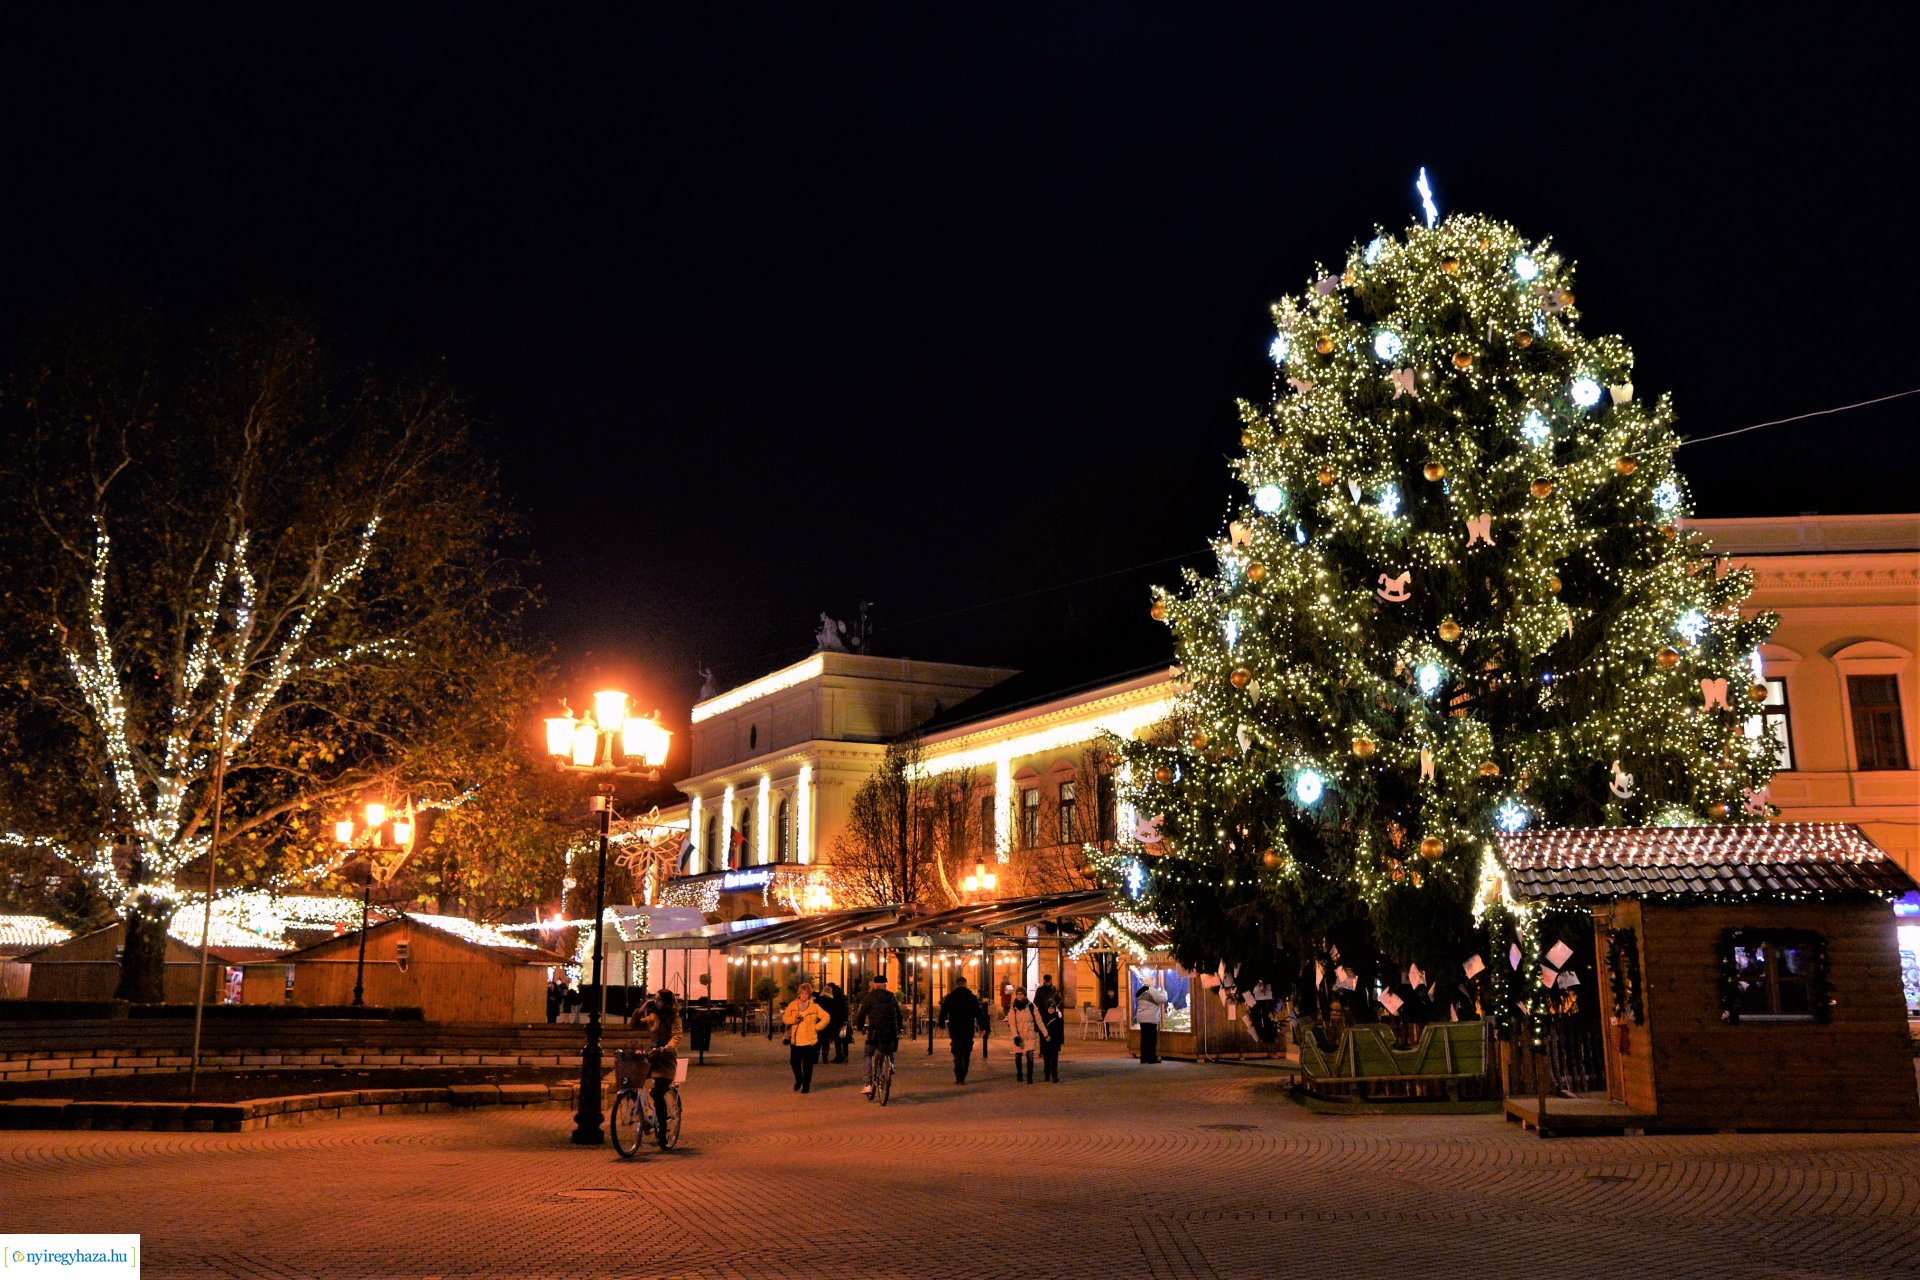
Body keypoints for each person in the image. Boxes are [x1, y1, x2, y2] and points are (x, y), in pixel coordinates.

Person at [629, 989, 680, 1146]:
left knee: (657, 1093)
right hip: (652, 1056)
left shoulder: (674, 1018)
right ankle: (643, 1114)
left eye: (657, 999)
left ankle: (663, 1132)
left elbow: (677, 1035)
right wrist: (641, 1009)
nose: (654, 1001)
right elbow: (634, 1025)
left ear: (665, 1002)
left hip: (665, 1059)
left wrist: (668, 1047)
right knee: (632, 1083)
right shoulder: (653, 1016)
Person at [853, 972, 903, 1097]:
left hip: (875, 1031)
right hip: (891, 1031)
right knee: (889, 1049)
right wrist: (899, 1028)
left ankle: (868, 1084)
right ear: (885, 985)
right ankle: (890, 1064)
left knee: (868, 1055)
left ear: (875, 985)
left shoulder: (870, 997)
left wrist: (859, 1027)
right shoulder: (892, 997)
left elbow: (861, 1014)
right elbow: (899, 1014)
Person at [781, 981, 831, 1093]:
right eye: (802, 993)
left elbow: (826, 1017)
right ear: (799, 994)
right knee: (794, 1063)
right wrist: (793, 1020)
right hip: (795, 1040)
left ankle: (806, 1085)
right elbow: (785, 1018)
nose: (804, 996)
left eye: (806, 993)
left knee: (808, 1065)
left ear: (809, 994)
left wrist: (817, 1027)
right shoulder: (792, 1005)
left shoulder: (814, 1007)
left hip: (809, 1041)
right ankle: (799, 1080)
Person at [937, 975, 987, 1084]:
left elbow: (943, 1011)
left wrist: (941, 1024)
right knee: (967, 1052)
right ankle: (963, 1074)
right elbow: (978, 1013)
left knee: (957, 1051)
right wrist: (982, 1027)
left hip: (955, 1028)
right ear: (965, 984)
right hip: (968, 1028)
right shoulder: (971, 997)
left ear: (956, 985)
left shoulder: (950, 997)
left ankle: (959, 1074)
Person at [1006, 985, 1043, 1084]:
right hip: (1019, 1035)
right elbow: (1012, 1023)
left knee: (1030, 1056)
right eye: (1017, 994)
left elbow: (1039, 1021)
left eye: (1021, 994)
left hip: (1029, 1034)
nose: (1019, 996)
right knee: (1018, 1056)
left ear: (1025, 995)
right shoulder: (1013, 1008)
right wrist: (1015, 1036)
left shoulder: (1031, 1006)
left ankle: (1030, 1076)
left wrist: (1045, 1034)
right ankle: (1019, 1074)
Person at [817, 982, 850, 1064]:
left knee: (837, 1039)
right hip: (842, 1020)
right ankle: (844, 1055)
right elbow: (845, 1008)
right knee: (843, 1038)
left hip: (836, 1021)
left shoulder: (834, 997)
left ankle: (839, 1055)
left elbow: (835, 1009)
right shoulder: (841, 996)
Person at [1136, 982, 1168, 1064]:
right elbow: (1163, 999)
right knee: (1152, 1039)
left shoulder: (1141, 991)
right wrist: (1163, 990)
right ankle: (1152, 1058)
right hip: (1151, 1018)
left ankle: (1144, 1058)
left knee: (1144, 1039)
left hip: (1142, 1018)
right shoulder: (1152, 991)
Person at [1037, 990, 1066, 1082]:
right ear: (1047, 1008)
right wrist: (1043, 1040)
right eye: (1049, 1008)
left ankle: (1054, 1075)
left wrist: (1060, 1041)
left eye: (1052, 1008)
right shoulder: (1044, 1017)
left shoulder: (1058, 1017)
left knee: (1054, 1060)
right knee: (1046, 1060)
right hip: (1046, 1042)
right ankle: (1047, 1074)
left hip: (1055, 1042)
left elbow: (1060, 1030)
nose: (1051, 1010)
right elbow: (1041, 1031)